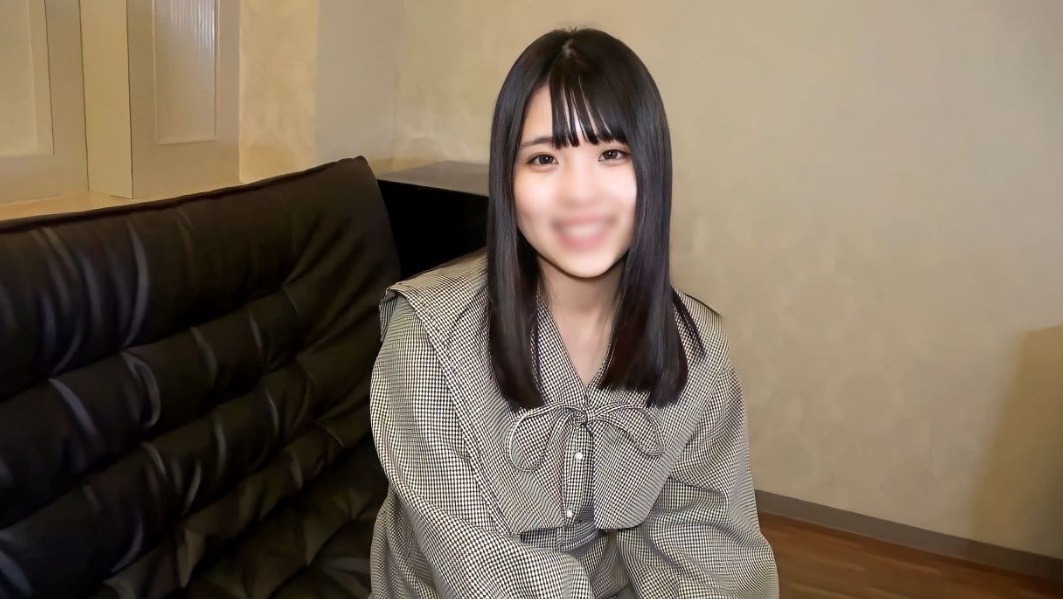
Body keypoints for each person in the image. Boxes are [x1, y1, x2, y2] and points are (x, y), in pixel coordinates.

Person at [368, 27, 778, 598]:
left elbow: (707, 547)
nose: (580, 194)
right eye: (544, 158)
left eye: (611, 154)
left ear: (653, 169)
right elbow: (479, 570)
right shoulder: (428, 341)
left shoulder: (697, 353)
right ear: (508, 183)